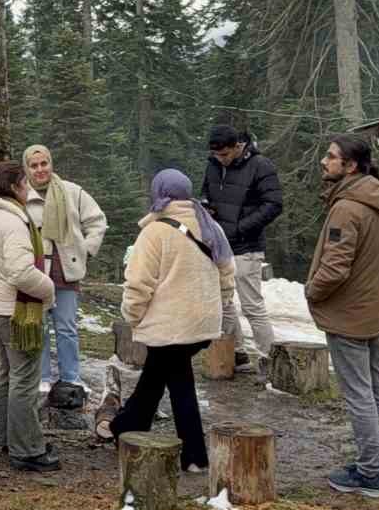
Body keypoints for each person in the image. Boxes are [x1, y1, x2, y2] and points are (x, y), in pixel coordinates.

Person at [96, 169, 233, 471]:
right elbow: (226, 274)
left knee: (179, 382)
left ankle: (195, 455)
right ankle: (127, 427)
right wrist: (218, 305)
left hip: (172, 326)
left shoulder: (154, 232)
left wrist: (132, 316)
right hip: (202, 324)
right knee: (158, 377)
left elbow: (138, 284)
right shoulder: (210, 226)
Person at [306, 134, 379, 498]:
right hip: (372, 309)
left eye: (331, 157)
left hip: (348, 313)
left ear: (352, 165)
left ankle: (369, 473)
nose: (323, 162)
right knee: (375, 389)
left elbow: (335, 267)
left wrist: (312, 291)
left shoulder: (348, 208)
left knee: (360, 393)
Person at [0, 159, 60, 472]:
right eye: (24, 182)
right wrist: (49, 290)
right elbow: (20, 272)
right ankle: (27, 450)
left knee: (9, 375)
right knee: (24, 379)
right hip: (15, 311)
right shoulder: (13, 222)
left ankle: (8, 437)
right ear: (14, 188)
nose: (29, 187)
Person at [21, 145, 108, 396]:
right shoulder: (22, 194)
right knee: (39, 326)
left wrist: (86, 251)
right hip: (36, 271)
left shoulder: (72, 192)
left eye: (44, 163)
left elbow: (97, 221)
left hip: (66, 269)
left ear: (51, 164)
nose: (40, 169)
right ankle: (43, 376)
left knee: (66, 327)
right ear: (27, 168)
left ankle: (71, 377)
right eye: (34, 165)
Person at [200, 126, 282, 371]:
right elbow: (206, 191)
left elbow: (274, 204)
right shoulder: (213, 163)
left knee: (252, 306)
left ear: (238, 146)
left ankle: (269, 361)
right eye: (216, 155)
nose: (220, 159)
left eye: (224, 154)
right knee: (223, 303)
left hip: (247, 245)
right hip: (219, 245)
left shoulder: (261, 165)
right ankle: (235, 353)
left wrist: (240, 227)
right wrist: (206, 205)